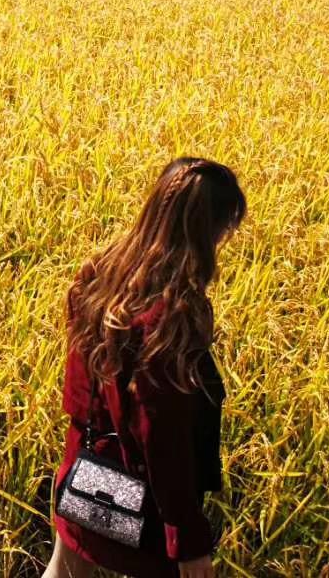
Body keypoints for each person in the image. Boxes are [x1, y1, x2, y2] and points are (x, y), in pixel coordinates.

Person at [43, 157, 247, 578]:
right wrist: (187, 540)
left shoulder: (101, 273)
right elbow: (163, 438)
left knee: (63, 573)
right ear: (205, 231)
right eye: (224, 230)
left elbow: (80, 390)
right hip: (138, 494)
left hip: (84, 469)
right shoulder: (171, 316)